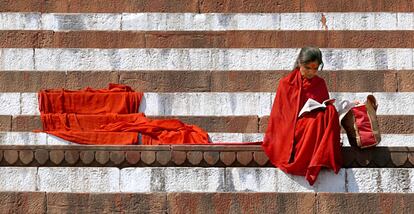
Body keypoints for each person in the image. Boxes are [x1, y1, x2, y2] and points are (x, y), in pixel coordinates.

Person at [262, 47, 343, 185]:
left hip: (314, 126)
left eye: (315, 69)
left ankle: (321, 156)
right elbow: (281, 117)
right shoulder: (286, 83)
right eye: (308, 68)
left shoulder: (320, 83)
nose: (311, 72)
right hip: (294, 130)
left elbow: (323, 106)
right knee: (316, 120)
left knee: (329, 111)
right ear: (300, 63)